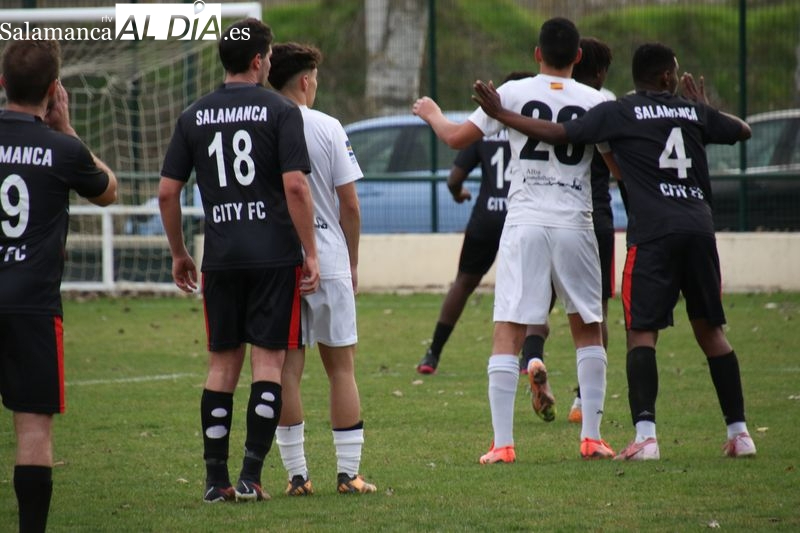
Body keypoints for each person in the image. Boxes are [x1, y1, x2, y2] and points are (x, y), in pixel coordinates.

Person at [472, 42, 756, 460]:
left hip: (653, 233)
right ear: (666, 77)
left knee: (642, 333)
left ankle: (646, 438)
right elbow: (742, 130)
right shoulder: (690, 110)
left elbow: (561, 133)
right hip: (699, 228)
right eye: (674, 72)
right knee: (711, 332)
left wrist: (502, 115)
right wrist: (705, 109)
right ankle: (740, 433)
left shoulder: (618, 110)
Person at [413, 17, 615, 462]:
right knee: (588, 328)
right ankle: (592, 437)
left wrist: (429, 111)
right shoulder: (598, 100)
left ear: (537, 54)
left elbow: (453, 139)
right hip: (576, 222)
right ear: (579, 58)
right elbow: (616, 169)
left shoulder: (513, 94)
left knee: (508, 329)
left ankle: (503, 444)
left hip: (524, 222)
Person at [159, 18, 320, 503]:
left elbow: (168, 193)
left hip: (222, 257)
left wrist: (180, 253)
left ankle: (215, 481)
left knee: (222, 367)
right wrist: (310, 252)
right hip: (273, 256)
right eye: (268, 57)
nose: (270, 63)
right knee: (268, 363)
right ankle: (251, 477)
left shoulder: (192, 116)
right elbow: (296, 186)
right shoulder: (281, 111)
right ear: (257, 61)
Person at [0, 39, 117, 532]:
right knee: (33, 429)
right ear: (53, 90)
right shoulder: (63, 149)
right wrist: (66, 128)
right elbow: (109, 190)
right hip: (32, 306)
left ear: (2, 84)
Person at [267, 42, 376, 495]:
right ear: (306, 81)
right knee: (341, 368)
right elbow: (349, 204)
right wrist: (351, 260)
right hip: (327, 258)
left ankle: (297, 476)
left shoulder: (262, 124)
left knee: (287, 370)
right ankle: (348, 475)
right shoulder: (328, 126)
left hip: (279, 260)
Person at [520, 37, 617, 425]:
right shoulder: (603, 104)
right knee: (595, 317)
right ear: (599, 70)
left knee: (533, 309)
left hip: (540, 213)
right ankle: (583, 400)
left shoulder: (536, 98)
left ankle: (534, 359)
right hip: (591, 219)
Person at [417, 72, 536, 375]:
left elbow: (454, 178)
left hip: (486, 218)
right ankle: (530, 356)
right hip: (524, 217)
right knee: (534, 288)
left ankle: (433, 353)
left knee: (465, 282)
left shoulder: (486, 128)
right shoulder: (538, 128)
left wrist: (459, 194)